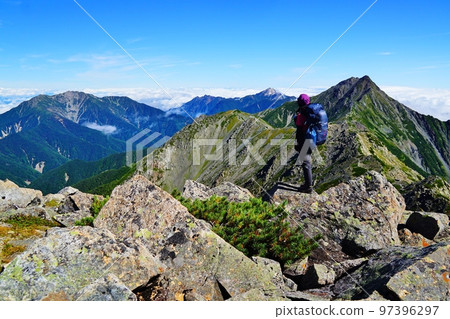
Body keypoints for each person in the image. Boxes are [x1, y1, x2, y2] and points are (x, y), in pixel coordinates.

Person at [294, 94, 314, 193]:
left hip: (304, 140)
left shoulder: (303, 113)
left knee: (306, 163)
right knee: (306, 162)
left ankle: (308, 187)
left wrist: (297, 116)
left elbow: (298, 124)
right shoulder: (311, 111)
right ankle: (307, 184)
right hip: (310, 140)